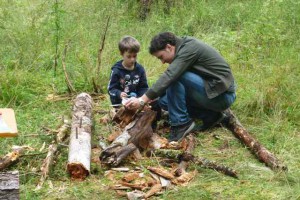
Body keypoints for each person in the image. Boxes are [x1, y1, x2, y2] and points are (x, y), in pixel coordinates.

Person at [124, 32, 236, 142]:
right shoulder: (182, 47)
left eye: (161, 57)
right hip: (211, 91)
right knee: (164, 101)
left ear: (169, 47)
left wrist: (142, 100)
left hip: (223, 96)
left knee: (175, 78)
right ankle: (211, 116)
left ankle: (181, 124)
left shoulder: (189, 48)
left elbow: (170, 76)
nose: (162, 62)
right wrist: (153, 98)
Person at [108, 36, 149, 108]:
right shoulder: (116, 70)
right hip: (120, 104)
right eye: (129, 56)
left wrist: (140, 99)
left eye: (135, 56)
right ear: (121, 54)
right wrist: (119, 94)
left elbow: (144, 88)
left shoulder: (140, 69)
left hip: (136, 102)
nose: (132, 59)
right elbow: (111, 90)